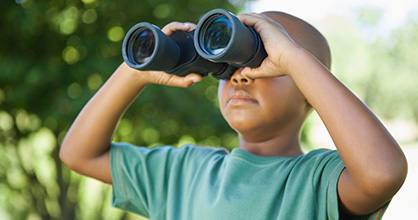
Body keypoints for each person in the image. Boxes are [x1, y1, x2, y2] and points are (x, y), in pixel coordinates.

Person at [60, 10, 408, 219]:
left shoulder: (317, 181)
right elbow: (78, 153)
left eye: (261, 64)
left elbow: (383, 173)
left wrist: (291, 56)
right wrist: (136, 70)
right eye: (227, 68)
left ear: (310, 91)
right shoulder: (181, 173)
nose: (240, 76)